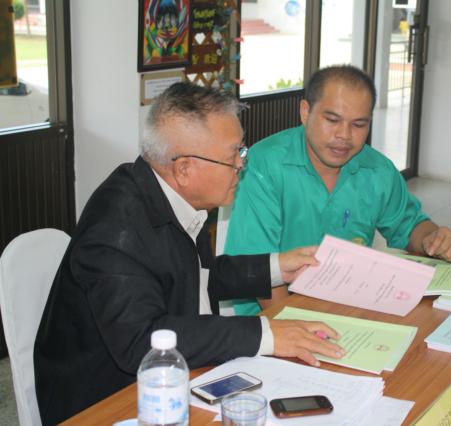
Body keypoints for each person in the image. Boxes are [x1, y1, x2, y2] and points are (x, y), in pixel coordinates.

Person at [33, 82, 344, 425]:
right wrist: (265, 334)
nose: (242, 165)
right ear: (183, 169)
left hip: (178, 374)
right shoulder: (115, 229)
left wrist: (276, 267)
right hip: (103, 401)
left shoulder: (174, 196)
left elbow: (195, 274)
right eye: (233, 155)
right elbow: (143, 341)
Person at [225, 65, 451, 313]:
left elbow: (410, 225)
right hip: (273, 314)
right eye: (332, 120)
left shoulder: (377, 169)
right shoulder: (265, 165)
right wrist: (297, 324)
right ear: (305, 112)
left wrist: (432, 240)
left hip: (350, 305)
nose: (344, 135)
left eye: (359, 125)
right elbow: (258, 267)